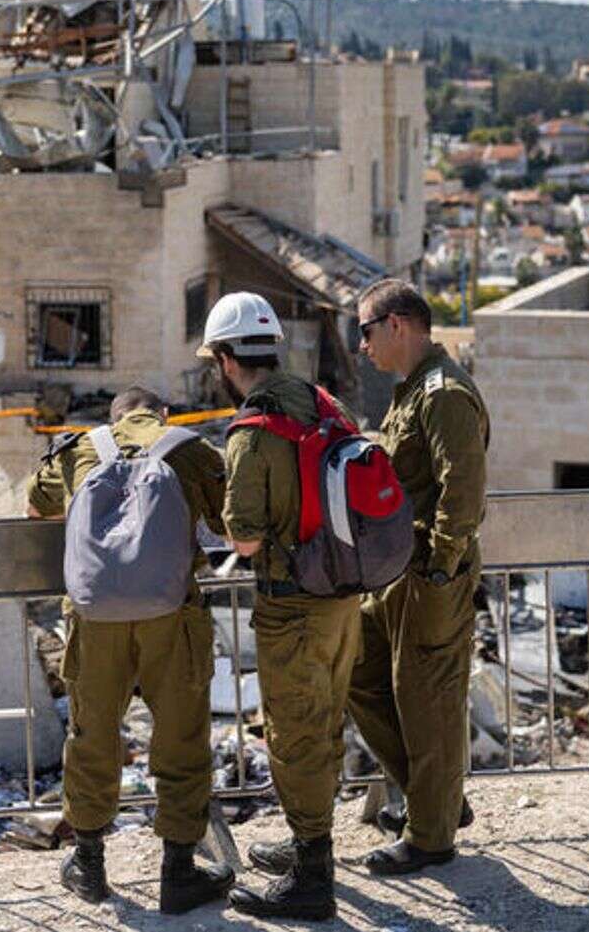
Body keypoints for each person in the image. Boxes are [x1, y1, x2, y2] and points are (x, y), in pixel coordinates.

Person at [26, 386, 235, 914]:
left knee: (93, 732)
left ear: (114, 418)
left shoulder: (80, 449)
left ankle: (90, 863)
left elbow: (35, 505)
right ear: (161, 415)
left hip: (94, 620)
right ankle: (178, 871)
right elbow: (230, 521)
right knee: (182, 735)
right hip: (172, 616)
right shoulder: (191, 449)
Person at [199, 291, 361, 922]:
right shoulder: (325, 402)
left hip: (292, 604)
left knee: (293, 735)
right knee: (324, 722)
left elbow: (243, 537)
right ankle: (305, 845)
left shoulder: (252, 432)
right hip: (344, 596)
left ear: (225, 359)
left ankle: (312, 880)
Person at [347, 278, 489, 875]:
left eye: (365, 331)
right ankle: (438, 801)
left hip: (429, 574)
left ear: (397, 325)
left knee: (426, 700)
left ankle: (431, 838)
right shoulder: (411, 392)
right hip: (396, 572)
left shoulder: (443, 393)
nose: (362, 347)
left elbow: (463, 488)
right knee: (358, 669)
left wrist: (438, 565)